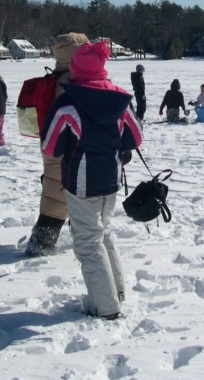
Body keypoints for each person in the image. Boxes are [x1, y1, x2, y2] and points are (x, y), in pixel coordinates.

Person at [40, 41, 143, 319]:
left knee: (88, 241)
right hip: (110, 178)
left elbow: (50, 147)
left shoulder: (68, 104)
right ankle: (116, 293)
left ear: (75, 71)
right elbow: (136, 137)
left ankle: (106, 306)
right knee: (104, 232)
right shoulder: (120, 99)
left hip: (80, 182)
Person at [25, 32, 89, 258]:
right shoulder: (72, 80)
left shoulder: (56, 76)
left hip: (50, 142)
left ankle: (43, 242)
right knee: (59, 196)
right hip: (67, 146)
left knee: (54, 193)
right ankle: (41, 245)